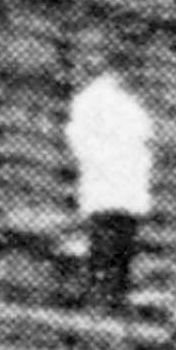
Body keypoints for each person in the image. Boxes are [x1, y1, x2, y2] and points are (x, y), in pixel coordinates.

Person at [66, 60, 154, 313]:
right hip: (105, 181)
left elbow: (144, 138)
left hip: (130, 184)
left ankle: (117, 297)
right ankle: (98, 297)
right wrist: (102, 161)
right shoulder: (92, 99)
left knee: (125, 245)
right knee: (104, 240)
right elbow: (78, 136)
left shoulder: (133, 104)